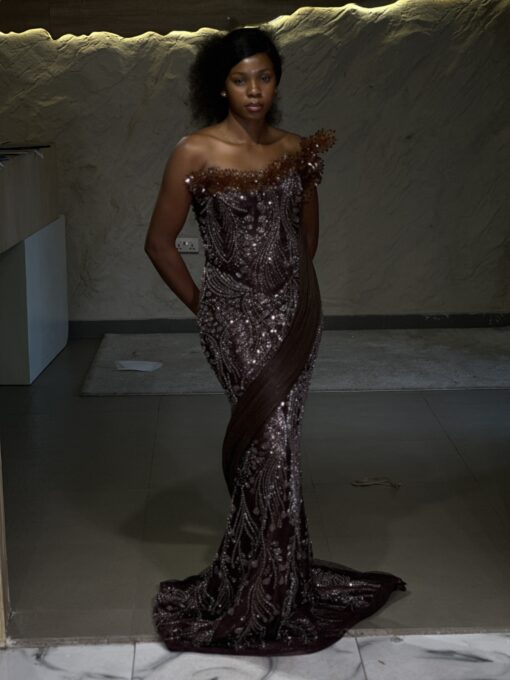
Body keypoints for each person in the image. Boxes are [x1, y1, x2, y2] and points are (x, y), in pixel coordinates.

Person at [144, 25, 406, 657]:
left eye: (264, 77)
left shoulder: (295, 149)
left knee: (279, 450)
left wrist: (287, 296)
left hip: (294, 317)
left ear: (276, 81)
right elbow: (159, 244)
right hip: (231, 321)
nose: (254, 90)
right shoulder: (194, 152)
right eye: (241, 80)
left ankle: (273, 582)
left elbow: (306, 239)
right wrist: (207, 307)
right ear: (221, 87)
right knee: (269, 444)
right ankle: (262, 588)